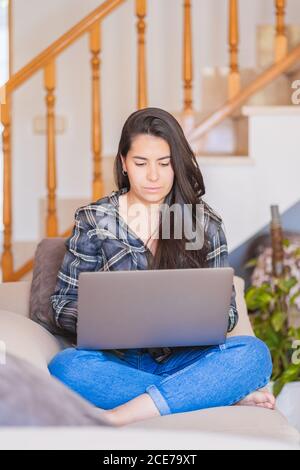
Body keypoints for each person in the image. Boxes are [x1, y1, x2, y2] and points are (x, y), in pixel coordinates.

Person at [48, 108, 275, 427]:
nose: (153, 176)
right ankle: (211, 394)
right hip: (120, 360)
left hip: (187, 358)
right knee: (66, 367)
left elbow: (229, 314)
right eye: (141, 163)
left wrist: (193, 317)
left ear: (177, 164)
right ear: (125, 163)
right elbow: (61, 306)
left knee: (254, 355)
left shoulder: (203, 223)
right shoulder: (94, 221)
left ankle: (124, 413)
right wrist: (110, 318)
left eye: (164, 163)